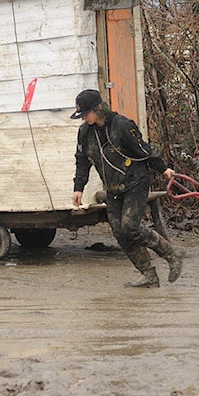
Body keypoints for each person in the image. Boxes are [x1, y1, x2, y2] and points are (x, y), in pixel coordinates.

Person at [70, 89, 185, 288]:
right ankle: (148, 274)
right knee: (120, 233)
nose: (84, 118)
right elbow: (82, 161)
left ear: (98, 108)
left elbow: (143, 150)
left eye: (86, 113)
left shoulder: (122, 126)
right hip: (113, 188)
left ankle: (171, 253)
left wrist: (162, 168)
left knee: (130, 226)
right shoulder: (85, 133)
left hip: (135, 182)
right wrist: (78, 187)